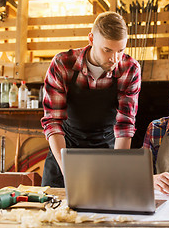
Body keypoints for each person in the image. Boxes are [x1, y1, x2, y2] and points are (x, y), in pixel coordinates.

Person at [41, 11, 141, 187]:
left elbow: (125, 126)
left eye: (120, 51)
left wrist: (117, 171)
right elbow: (52, 122)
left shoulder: (130, 69)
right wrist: (69, 171)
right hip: (65, 150)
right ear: (91, 39)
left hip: (106, 154)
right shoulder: (62, 64)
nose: (114, 59)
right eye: (107, 50)